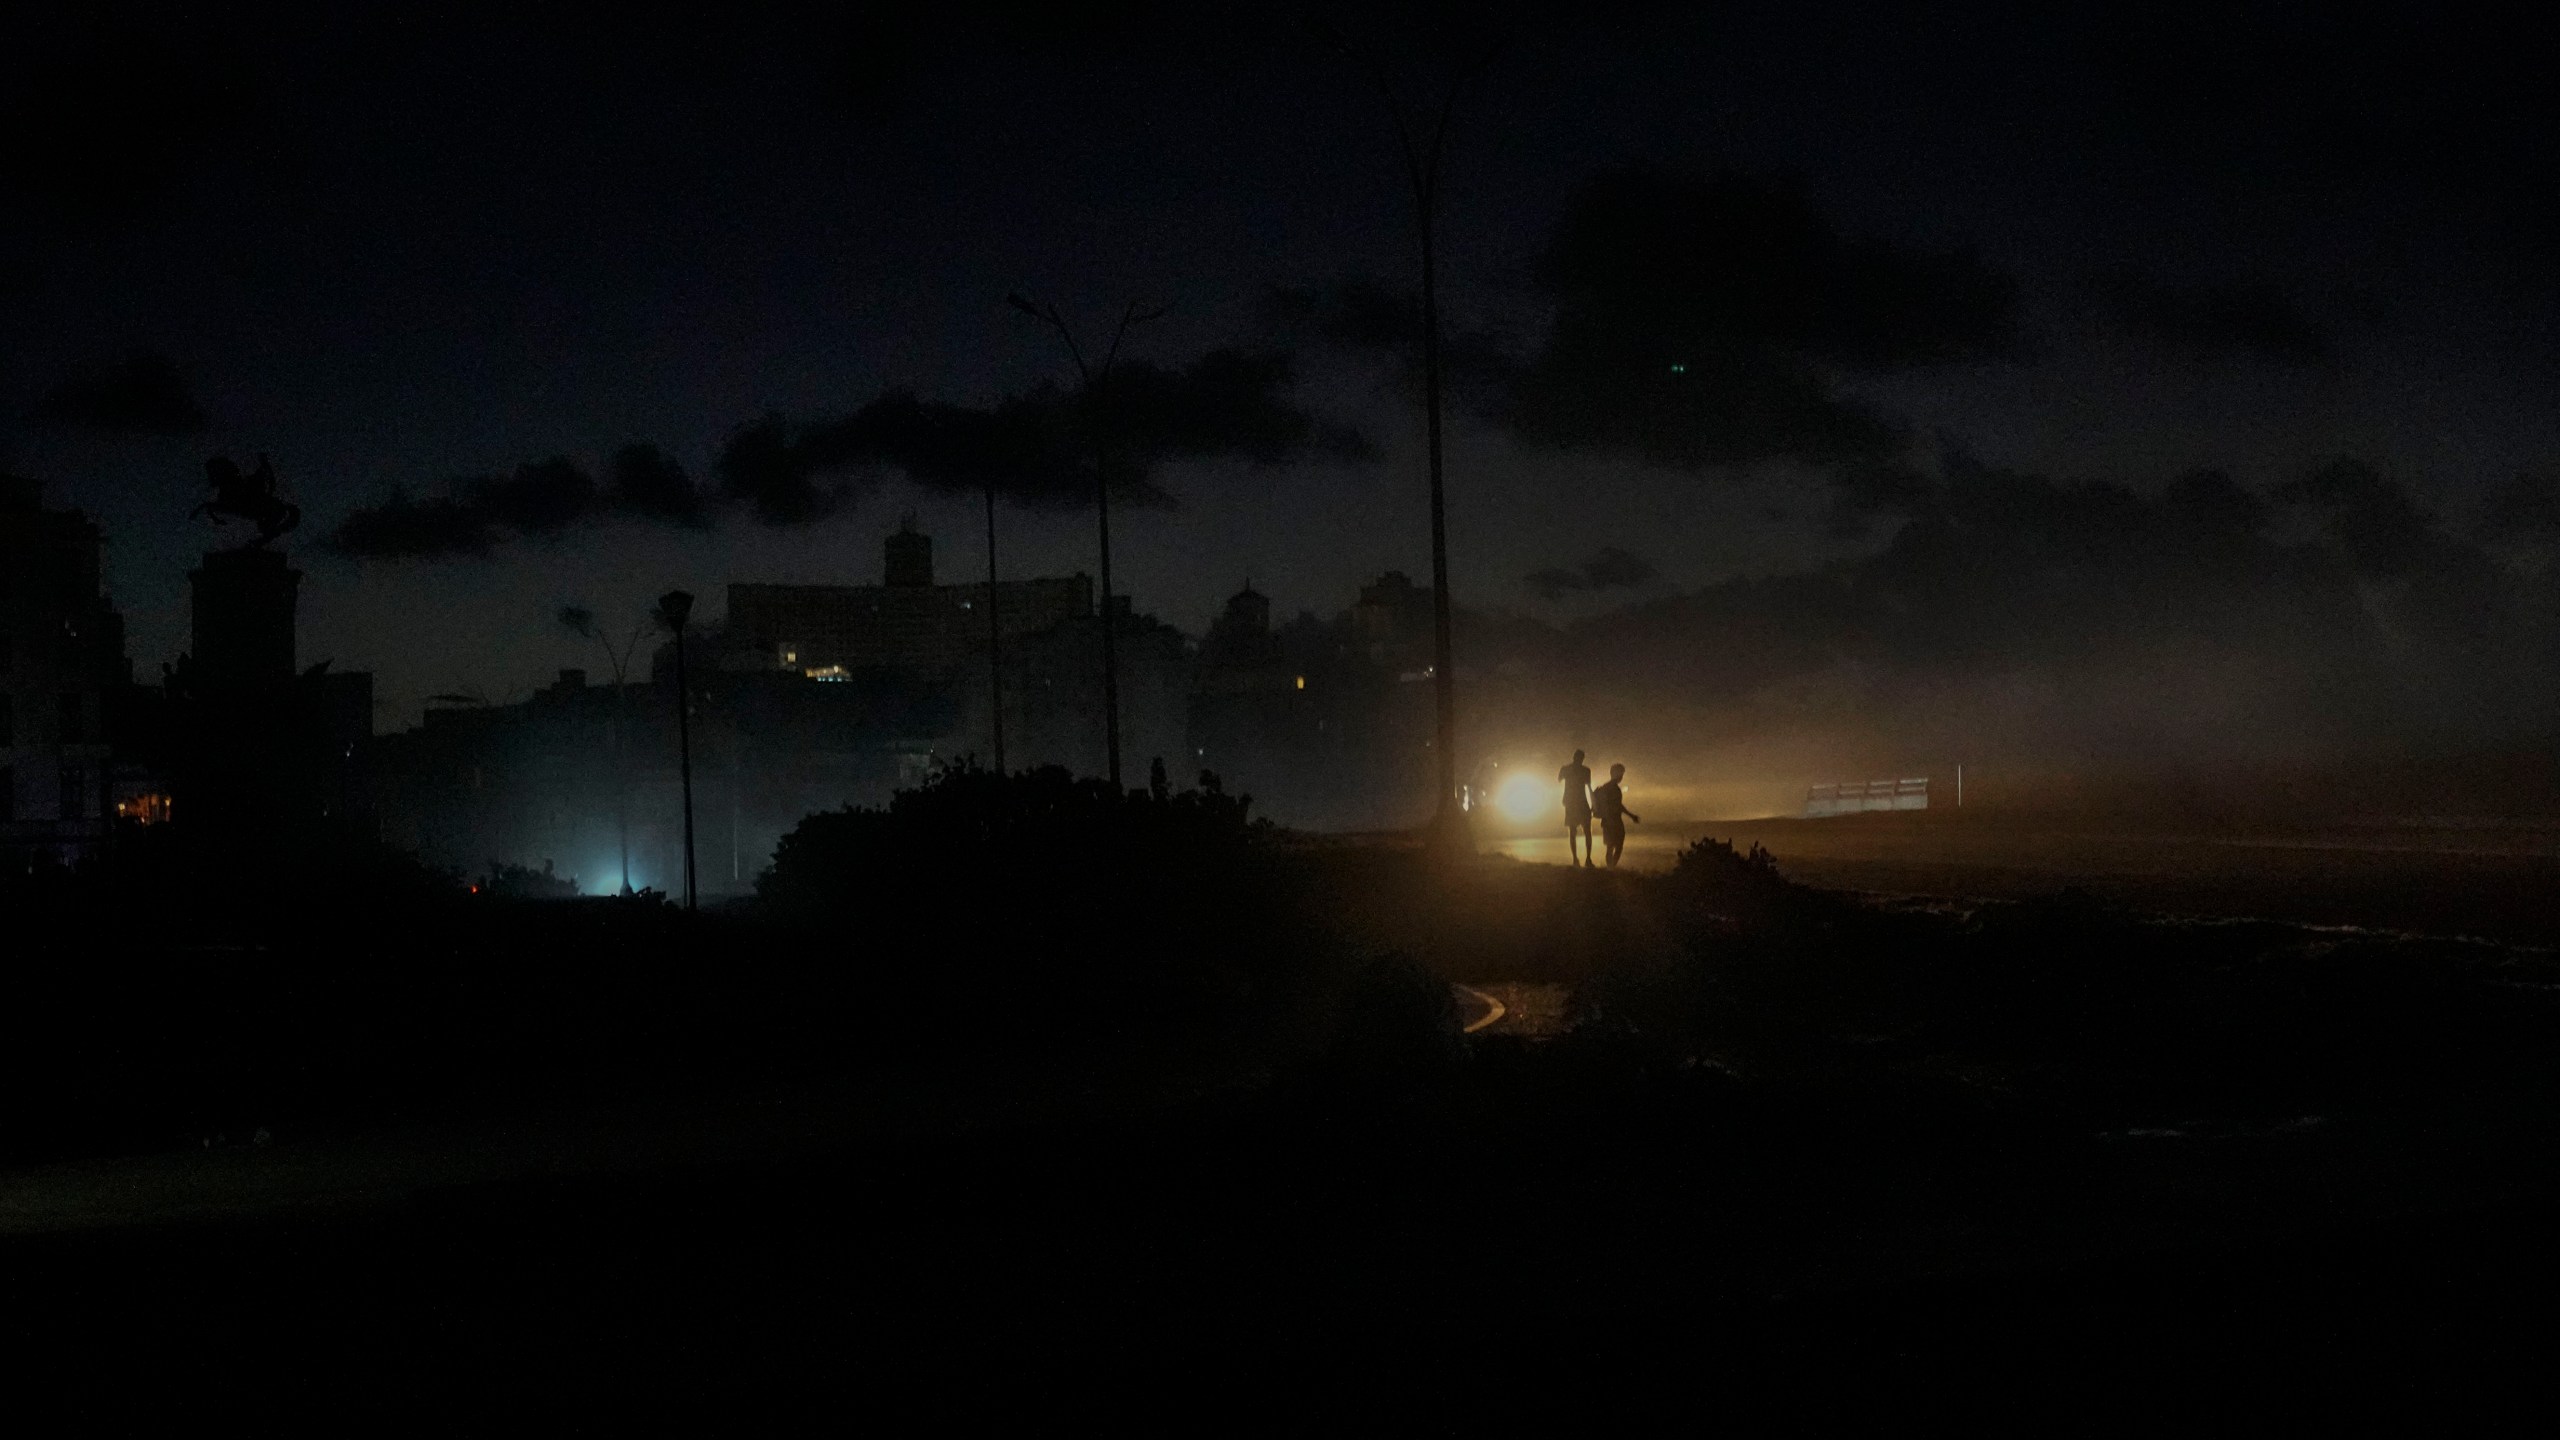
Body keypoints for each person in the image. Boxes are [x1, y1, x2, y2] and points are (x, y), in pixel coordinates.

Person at [1593, 763, 1642, 868]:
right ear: (1618, 775)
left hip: (1607, 821)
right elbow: (1618, 806)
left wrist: (1631, 815)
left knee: (1610, 847)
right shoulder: (1614, 789)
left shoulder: (1606, 787)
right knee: (1618, 846)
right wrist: (1632, 816)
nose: (1621, 777)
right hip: (1614, 821)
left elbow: (1618, 805)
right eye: (1621, 774)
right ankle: (1611, 868)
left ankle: (1610, 868)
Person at [1559, 749, 1595, 867]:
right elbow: (1589, 788)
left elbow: (1559, 779)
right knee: (1587, 831)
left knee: (1573, 832)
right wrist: (1593, 804)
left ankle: (1576, 859)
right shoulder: (1585, 770)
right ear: (1582, 758)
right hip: (1581, 802)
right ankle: (1587, 859)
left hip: (1571, 802)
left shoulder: (1566, 769)